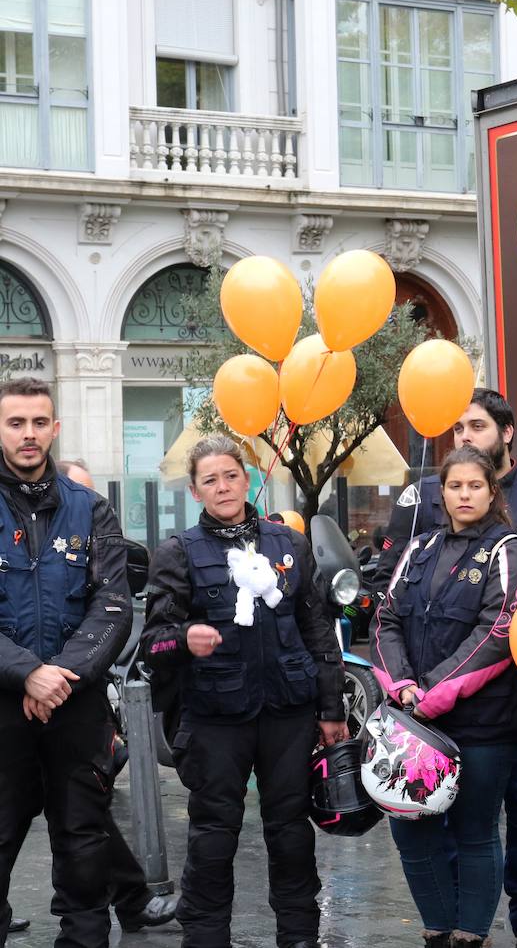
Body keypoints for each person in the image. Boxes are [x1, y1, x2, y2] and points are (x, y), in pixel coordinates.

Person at [376, 388, 517, 948]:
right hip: (414, 723)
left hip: (485, 722)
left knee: (476, 832)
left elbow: (501, 630)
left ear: (493, 493)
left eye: (474, 486)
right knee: (412, 831)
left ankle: (469, 935)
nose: (464, 495)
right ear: (442, 494)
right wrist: (403, 684)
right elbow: (386, 619)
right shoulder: (419, 549)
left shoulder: (512, 549)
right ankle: (437, 931)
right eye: (454, 486)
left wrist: (436, 690)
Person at [140, 435, 347, 948]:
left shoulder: (289, 544)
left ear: (247, 478)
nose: (223, 486)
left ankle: (298, 936)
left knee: (292, 832)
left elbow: (317, 630)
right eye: (209, 480)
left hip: (288, 712)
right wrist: (184, 640)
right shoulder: (177, 553)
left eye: (230, 475)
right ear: (194, 491)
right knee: (212, 835)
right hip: (215, 717)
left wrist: (331, 706)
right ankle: (206, 937)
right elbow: (152, 644)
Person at [0, 378, 132, 946]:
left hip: (75, 707)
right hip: (3, 707)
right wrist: (26, 670)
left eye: (38, 423)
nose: (28, 435)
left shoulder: (92, 510)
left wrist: (58, 676)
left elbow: (114, 604)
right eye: (15, 423)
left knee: (83, 844)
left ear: (55, 428)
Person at [56, 457, 179, 934]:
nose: (87, 506)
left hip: (75, 694)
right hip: (22, 693)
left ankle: (128, 899)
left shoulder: (97, 538)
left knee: (85, 811)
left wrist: (71, 673)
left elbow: (111, 610)